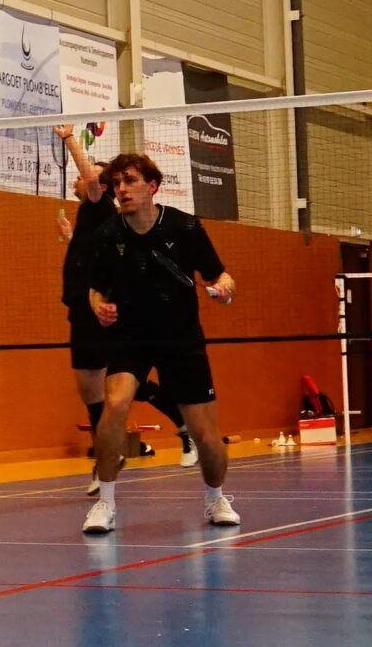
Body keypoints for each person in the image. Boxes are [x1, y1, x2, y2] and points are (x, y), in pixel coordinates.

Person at [77, 152, 238, 535]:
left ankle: (216, 497)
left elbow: (221, 276)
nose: (121, 189)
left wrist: (223, 290)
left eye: (130, 181)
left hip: (181, 338)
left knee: (206, 436)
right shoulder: (108, 235)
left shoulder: (185, 228)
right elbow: (96, 290)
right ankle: (105, 502)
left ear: (152, 187)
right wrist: (98, 307)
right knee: (115, 404)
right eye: (117, 183)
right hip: (130, 337)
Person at [55, 125, 197, 489]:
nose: (78, 180)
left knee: (119, 380)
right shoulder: (93, 215)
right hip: (79, 308)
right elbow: (91, 255)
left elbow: (91, 177)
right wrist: (71, 239)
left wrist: (68, 138)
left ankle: (177, 425)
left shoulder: (99, 201)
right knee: (91, 388)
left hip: (101, 308)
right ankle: (120, 448)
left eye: (86, 178)